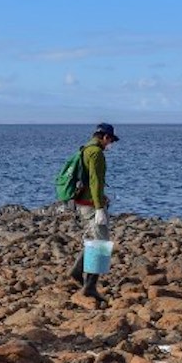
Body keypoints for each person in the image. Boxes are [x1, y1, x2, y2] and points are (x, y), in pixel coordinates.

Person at [68, 122, 119, 304]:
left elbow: (89, 181)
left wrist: (101, 198)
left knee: (95, 238)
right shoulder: (96, 153)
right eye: (110, 140)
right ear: (105, 137)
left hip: (83, 202)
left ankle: (76, 271)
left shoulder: (85, 149)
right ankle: (89, 287)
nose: (110, 144)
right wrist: (99, 207)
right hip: (90, 204)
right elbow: (95, 181)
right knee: (102, 243)